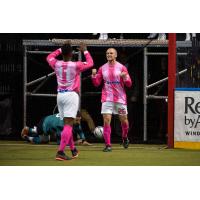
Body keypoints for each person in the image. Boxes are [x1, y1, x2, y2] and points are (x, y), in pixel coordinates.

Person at [46, 42, 93, 160]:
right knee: (68, 124)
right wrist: (85, 51)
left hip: (60, 96)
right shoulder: (76, 65)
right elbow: (91, 63)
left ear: (62, 53)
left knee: (68, 124)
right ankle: (60, 152)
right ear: (72, 53)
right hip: (71, 96)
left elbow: (49, 57)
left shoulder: (56, 63)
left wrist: (60, 49)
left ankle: (73, 149)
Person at [91, 48, 132, 152]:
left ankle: (124, 137)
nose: (109, 54)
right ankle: (108, 145)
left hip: (120, 99)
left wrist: (125, 77)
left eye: (111, 53)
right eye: (107, 53)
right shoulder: (102, 68)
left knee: (124, 121)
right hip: (107, 98)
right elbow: (96, 84)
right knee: (106, 121)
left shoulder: (122, 67)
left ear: (116, 55)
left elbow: (129, 84)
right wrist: (94, 76)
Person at [21, 113, 92, 145]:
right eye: (77, 120)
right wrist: (75, 142)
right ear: (72, 119)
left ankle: (32, 130)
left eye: (80, 120)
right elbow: (59, 142)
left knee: (45, 138)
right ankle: (27, 135)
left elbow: (80, 131)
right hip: (45, 123)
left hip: (49, 121)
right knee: (43, 140)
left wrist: (84, 140)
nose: (79, 122)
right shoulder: (62, 125)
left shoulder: (73, 120)